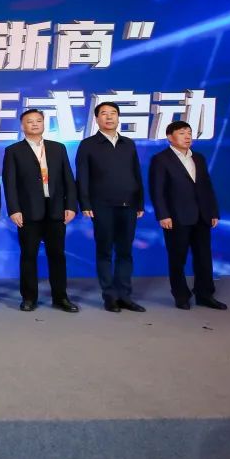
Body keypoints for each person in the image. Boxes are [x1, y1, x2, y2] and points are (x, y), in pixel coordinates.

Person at [2, 109, 80, 313]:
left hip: (56, 210)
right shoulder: (13, 151)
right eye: (30, 121)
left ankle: (60, 297)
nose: (35, 124)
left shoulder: (57, 148)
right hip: (28, 212)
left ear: (44, 124)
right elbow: (10, 184)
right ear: (22, 126)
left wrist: (71, 206)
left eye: (38, 120)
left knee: (57, 255)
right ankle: (29, 298)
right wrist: (14, 209)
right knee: (28, 256)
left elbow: (68, 179)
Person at [75, 102, 146, 313]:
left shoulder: (128, 144)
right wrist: (85, 203)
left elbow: (136, 174)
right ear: (96, 119)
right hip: (101, 205)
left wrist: (140, 202)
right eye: (104, 114)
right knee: (104, 251)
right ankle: (110, 296)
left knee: (125, 252)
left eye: (113, 113)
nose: (109, 117)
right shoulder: (88, 144)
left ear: (118, 117)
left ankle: (125, 295)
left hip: (129, 205)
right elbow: (82, 176)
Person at [148, 120, 226, 311]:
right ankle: (181, 295)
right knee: (178, 258)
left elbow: (207, 187)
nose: (187, 137)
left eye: (189, 133)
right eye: (182, 133)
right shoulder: (161, 159)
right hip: (176, 217)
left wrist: (213, 211)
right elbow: (157, 190)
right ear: (170, 137)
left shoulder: (198, 158)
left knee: (204, 257)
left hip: (202, 215)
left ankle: (205, 294)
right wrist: (163, 215)